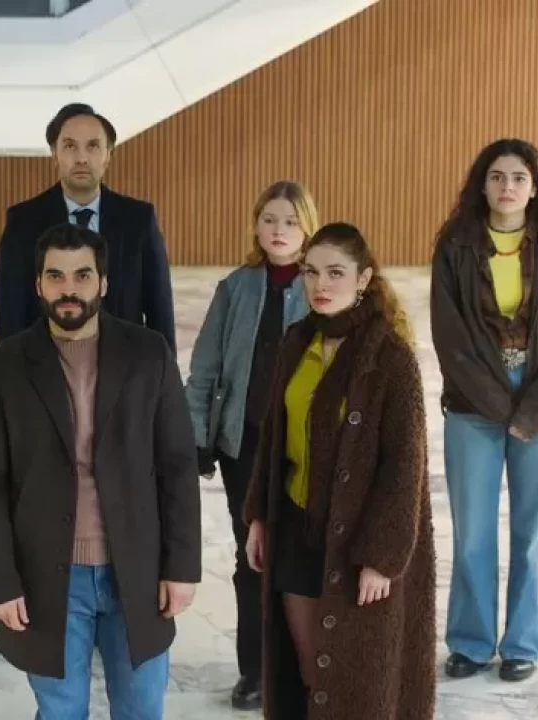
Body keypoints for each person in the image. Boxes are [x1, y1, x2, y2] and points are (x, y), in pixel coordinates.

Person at [0, 223, 201, 718]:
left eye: (82, 275)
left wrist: (181, 566)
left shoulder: (149, 354)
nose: (68, 289)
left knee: (141, 709)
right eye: (55, 276)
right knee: (61, 713)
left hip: (136, 569)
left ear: (103, 283)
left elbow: (177, 465)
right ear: (38, 284)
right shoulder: (1, 367)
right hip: (47, 574)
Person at [242, 222, 437, 718]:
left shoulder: (390, 359)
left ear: (363, 278)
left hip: (356, 543)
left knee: (356, 684)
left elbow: (405, 465)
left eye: (335, 273)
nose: (320, 285)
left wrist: (382, 556)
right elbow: (273, 437)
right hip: (295, 530)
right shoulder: (296, 341)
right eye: (311, 272)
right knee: (309, 672)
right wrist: (260, 515)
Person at [431, 138, 538, 683]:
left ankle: (525, 642)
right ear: (482, 184)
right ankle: (471, 643)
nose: (507, 187)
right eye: (497, 176)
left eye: (519, 178)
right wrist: (502, 407)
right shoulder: (455, 246)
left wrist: (536, 409)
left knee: (535, 528)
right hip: (473, 400)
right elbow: (450, 337)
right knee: (472, 531)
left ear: (535, 187)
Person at [183, 180, 319, 710]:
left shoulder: (321, 285)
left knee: (301, 556)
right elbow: (205, 367)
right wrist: (198, 435)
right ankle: (256, 671)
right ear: (256, 226)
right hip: (246, 447)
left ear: (307, 227)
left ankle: (305, 667)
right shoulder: (235, 288)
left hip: (305, 449)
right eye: (269, 220)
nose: (279, 230)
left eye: (290, 221)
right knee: (253, 557)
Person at [0, 102, 176, 351]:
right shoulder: (22, 221)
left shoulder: (138, 219)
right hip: (46, 365)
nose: (81, 158)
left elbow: (159, 308)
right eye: (70, 146)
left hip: (124, 364)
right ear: (54, 154)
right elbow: (10, 315)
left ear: (108, 154)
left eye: (93, 146)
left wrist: (165, 369)